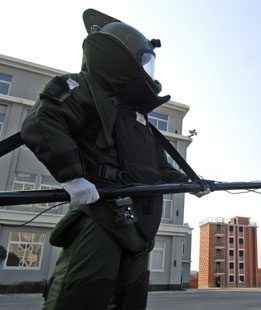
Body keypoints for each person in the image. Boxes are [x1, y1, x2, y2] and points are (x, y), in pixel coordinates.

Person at [21, 10, 201, 310]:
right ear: (121, 54)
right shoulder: (83, 89)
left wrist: (190, 183)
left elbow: (158, 168)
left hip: (141, 227)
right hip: (101, 216)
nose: (146, 69)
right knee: (81, 297)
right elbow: (42, 121)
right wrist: (73, 176)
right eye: (141, 59)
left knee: (131, 299)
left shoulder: (139, 118)